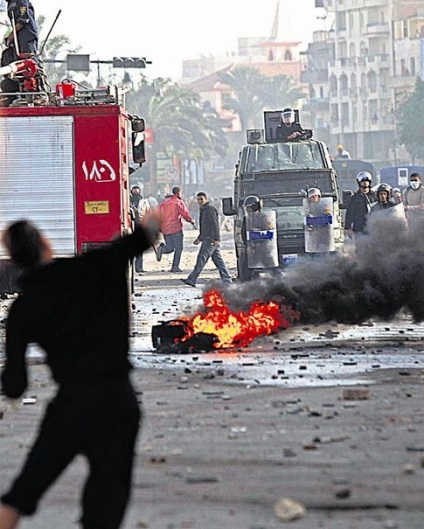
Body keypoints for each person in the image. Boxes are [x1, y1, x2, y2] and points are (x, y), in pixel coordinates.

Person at [0, 215, 160, 529]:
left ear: (14, 260)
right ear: (46, 244)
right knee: (105, 502)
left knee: (24, 491)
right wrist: (153, 221)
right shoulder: (94, 266)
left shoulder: (23, 310)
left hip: (71, 407)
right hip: (118, 403)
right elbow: (143, 237)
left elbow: (15, 386)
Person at [181, 191, 232, 287]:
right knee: (218, 261)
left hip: (211, 240)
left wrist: (217, 239)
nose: (199, 201)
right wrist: (199, 238)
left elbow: (215, 225)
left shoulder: (209, 209)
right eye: (198, 199)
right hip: (207, 238)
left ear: (206, 199)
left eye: (201, 199)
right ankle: (227, 280)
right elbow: (205, 227)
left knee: (201, 259)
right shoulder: (203, 210)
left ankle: (192, 279)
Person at [0, 0, 46, 106]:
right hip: (18, 39)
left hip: (26, 36)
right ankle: (16, 93)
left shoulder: (20, 0)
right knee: (11, 59)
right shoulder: (10, 3)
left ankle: (39, 92)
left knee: (30, 63)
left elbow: (23, 18)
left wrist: (12, 34)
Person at [156, 186, 196, 273]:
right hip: (175, 228)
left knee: (170, 247)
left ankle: (162, 249)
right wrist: (191, 221)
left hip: (165, 229)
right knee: (179, 248)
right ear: (178, 193)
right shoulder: (178, 202)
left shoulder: (164, 204)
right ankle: (175, 267)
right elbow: (184, 214)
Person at [344, 171, 377, 238]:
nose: (365, 183)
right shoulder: (354, 198)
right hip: (358, 228)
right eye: (363, 181)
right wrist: (348, 228)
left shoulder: (375, 197)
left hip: (372, 227)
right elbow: (349, 213)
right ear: (359, 183)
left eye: (366, 181)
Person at [130, 185, 151, 273]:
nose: (136, 192)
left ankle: (139, 267)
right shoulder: (128, 200)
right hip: (131, 226)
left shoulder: (144, 201)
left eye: (137, 191)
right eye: (134, 191)